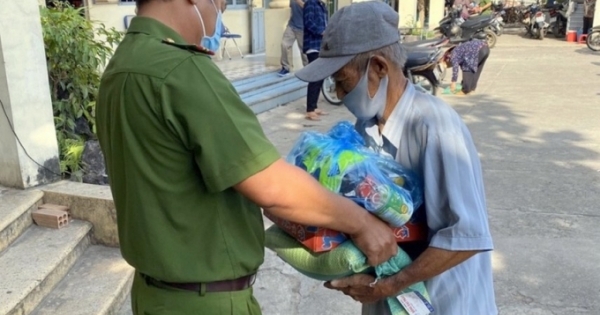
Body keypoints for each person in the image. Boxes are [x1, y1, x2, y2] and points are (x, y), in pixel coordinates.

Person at [95, 0, 398, 314]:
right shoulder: (182, 72)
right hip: (205, 302)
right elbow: (271, 186)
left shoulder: (121, 67)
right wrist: (362, 223)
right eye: (220, 2)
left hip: (153, 294)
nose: (220, 11)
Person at [295, 2, 497, 315]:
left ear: (378, 67)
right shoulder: (363, 129)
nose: (339, 92)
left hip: (444, 304)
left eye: (342, 80)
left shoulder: (435, 126)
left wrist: (391, 284)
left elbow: (467, 236)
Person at [302, 0, 328, 121]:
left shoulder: (321, 5)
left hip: (320, 46)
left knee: (320, 77)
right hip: (313, 46)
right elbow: (308, 22)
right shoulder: (310, 3)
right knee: (315, 78)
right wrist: (321, 31)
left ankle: (314, 106)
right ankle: (310, 110)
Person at [278, 0, 309, 76]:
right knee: (284, 44)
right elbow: (292, 9)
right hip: (291, 26)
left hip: (302, 28)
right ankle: (285, 68)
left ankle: (308, 69)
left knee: (303, 51)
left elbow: (307, 7)